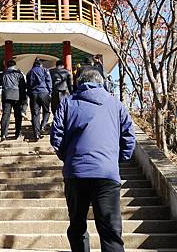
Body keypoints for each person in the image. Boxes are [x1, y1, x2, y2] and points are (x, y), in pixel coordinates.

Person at [50, 68, 136, 252]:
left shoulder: (68, 103)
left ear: (80, 83)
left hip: (76, 173)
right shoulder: (116, 104)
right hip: (106, 174)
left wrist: (69, 158)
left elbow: (56, 136)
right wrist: (117, 159)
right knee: (111, 231)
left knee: (77, 227)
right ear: (102, 82)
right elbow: (129, 136)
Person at [0, 59, 27, 141]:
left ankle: (3, 134)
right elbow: (23, 87)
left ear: (7, 66)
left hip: (6, 96)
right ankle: (18, 133)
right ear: (14, 66)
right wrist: (23, 99)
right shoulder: (18, 74)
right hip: (17, 96)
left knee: (6, 115)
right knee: (18, 116)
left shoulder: (3, 74)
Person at [26, 58, 52, 139]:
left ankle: (36, 134)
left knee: (35, 114)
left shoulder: (29, 72)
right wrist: (50, 91)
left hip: (33, 94)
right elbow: (49, 81)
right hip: (44, 92)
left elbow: (28, 85)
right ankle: (43, 125)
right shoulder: (45, 70)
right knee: (46, 111)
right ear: (41, 64)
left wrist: (30, 94)